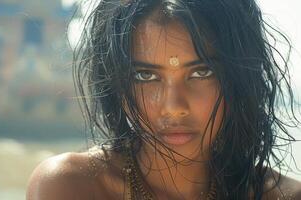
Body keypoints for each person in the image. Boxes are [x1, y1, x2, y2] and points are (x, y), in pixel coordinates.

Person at [26, 0, 301, 199]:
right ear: (116, 83)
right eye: (146, 76)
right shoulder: (71, 187)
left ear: (240, 78)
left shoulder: (285, 195)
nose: (174, 107)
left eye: (201, 72)